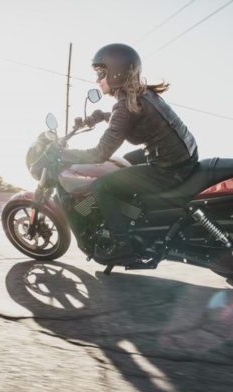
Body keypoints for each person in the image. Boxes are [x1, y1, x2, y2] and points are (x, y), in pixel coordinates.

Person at [61, 43, 199, 265]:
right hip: (179, 156)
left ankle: (122, 245)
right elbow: (130, 117)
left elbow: (99, 153)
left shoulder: (124, 106)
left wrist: (66, 154)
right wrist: (103, 116)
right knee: (122, 163)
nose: (97, 80)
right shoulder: (143, 95)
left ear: (116, 72)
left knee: (101, 185)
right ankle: (130, 213)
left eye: (101, 73)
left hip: (170, 168)